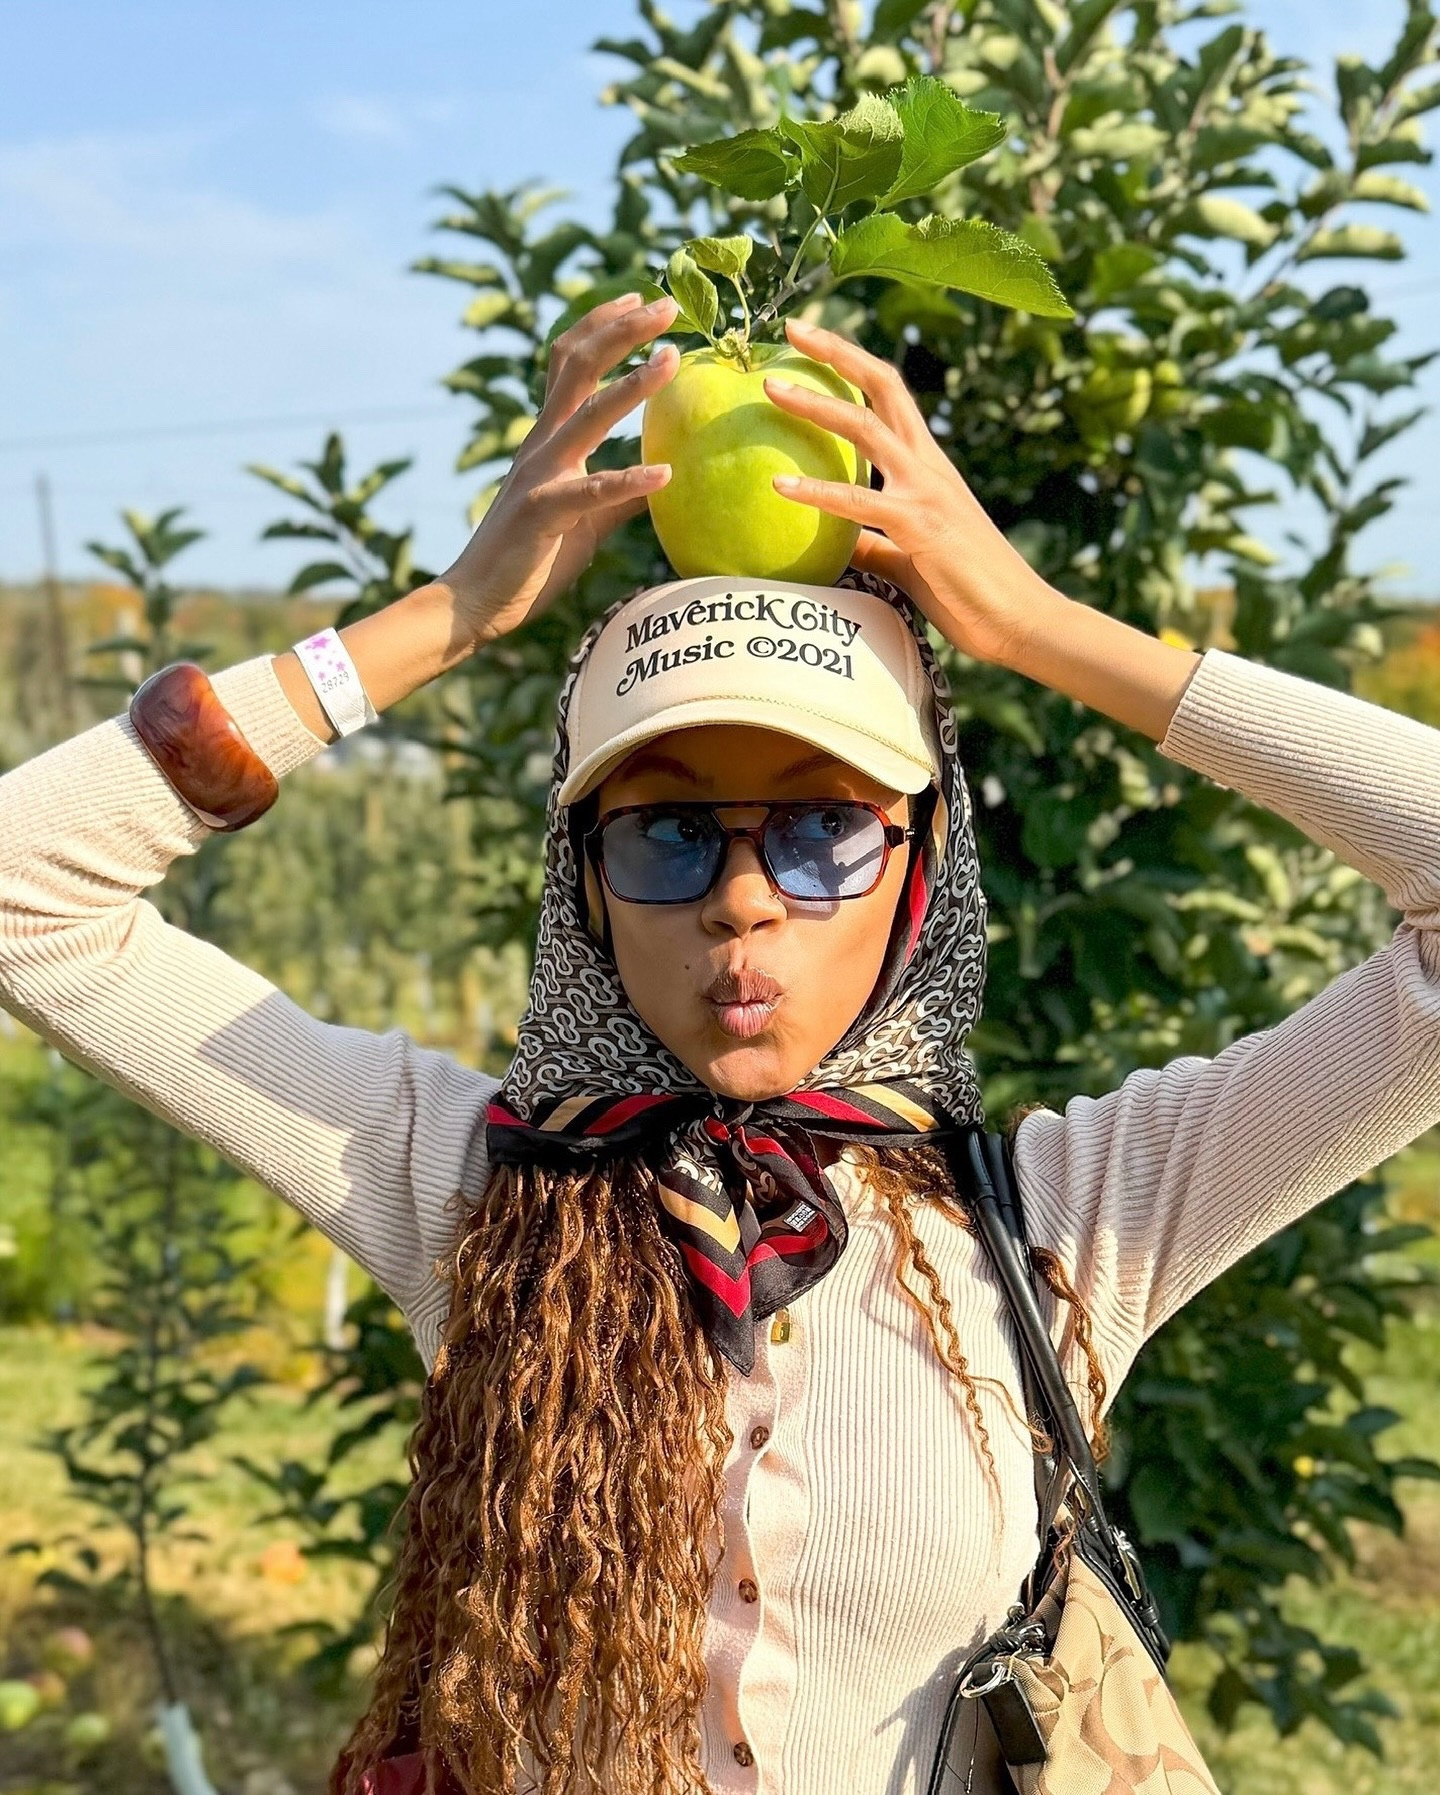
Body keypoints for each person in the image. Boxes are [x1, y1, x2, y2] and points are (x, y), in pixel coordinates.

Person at [1, 290, 1437, 1795]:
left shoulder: (1076, 1216)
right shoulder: (474, 1191)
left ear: (918, 875)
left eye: (825, 831)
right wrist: (444, 620)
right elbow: (33, 894)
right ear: (585, 881)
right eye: (673, 831)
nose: (744, 903)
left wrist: (1042, 633)